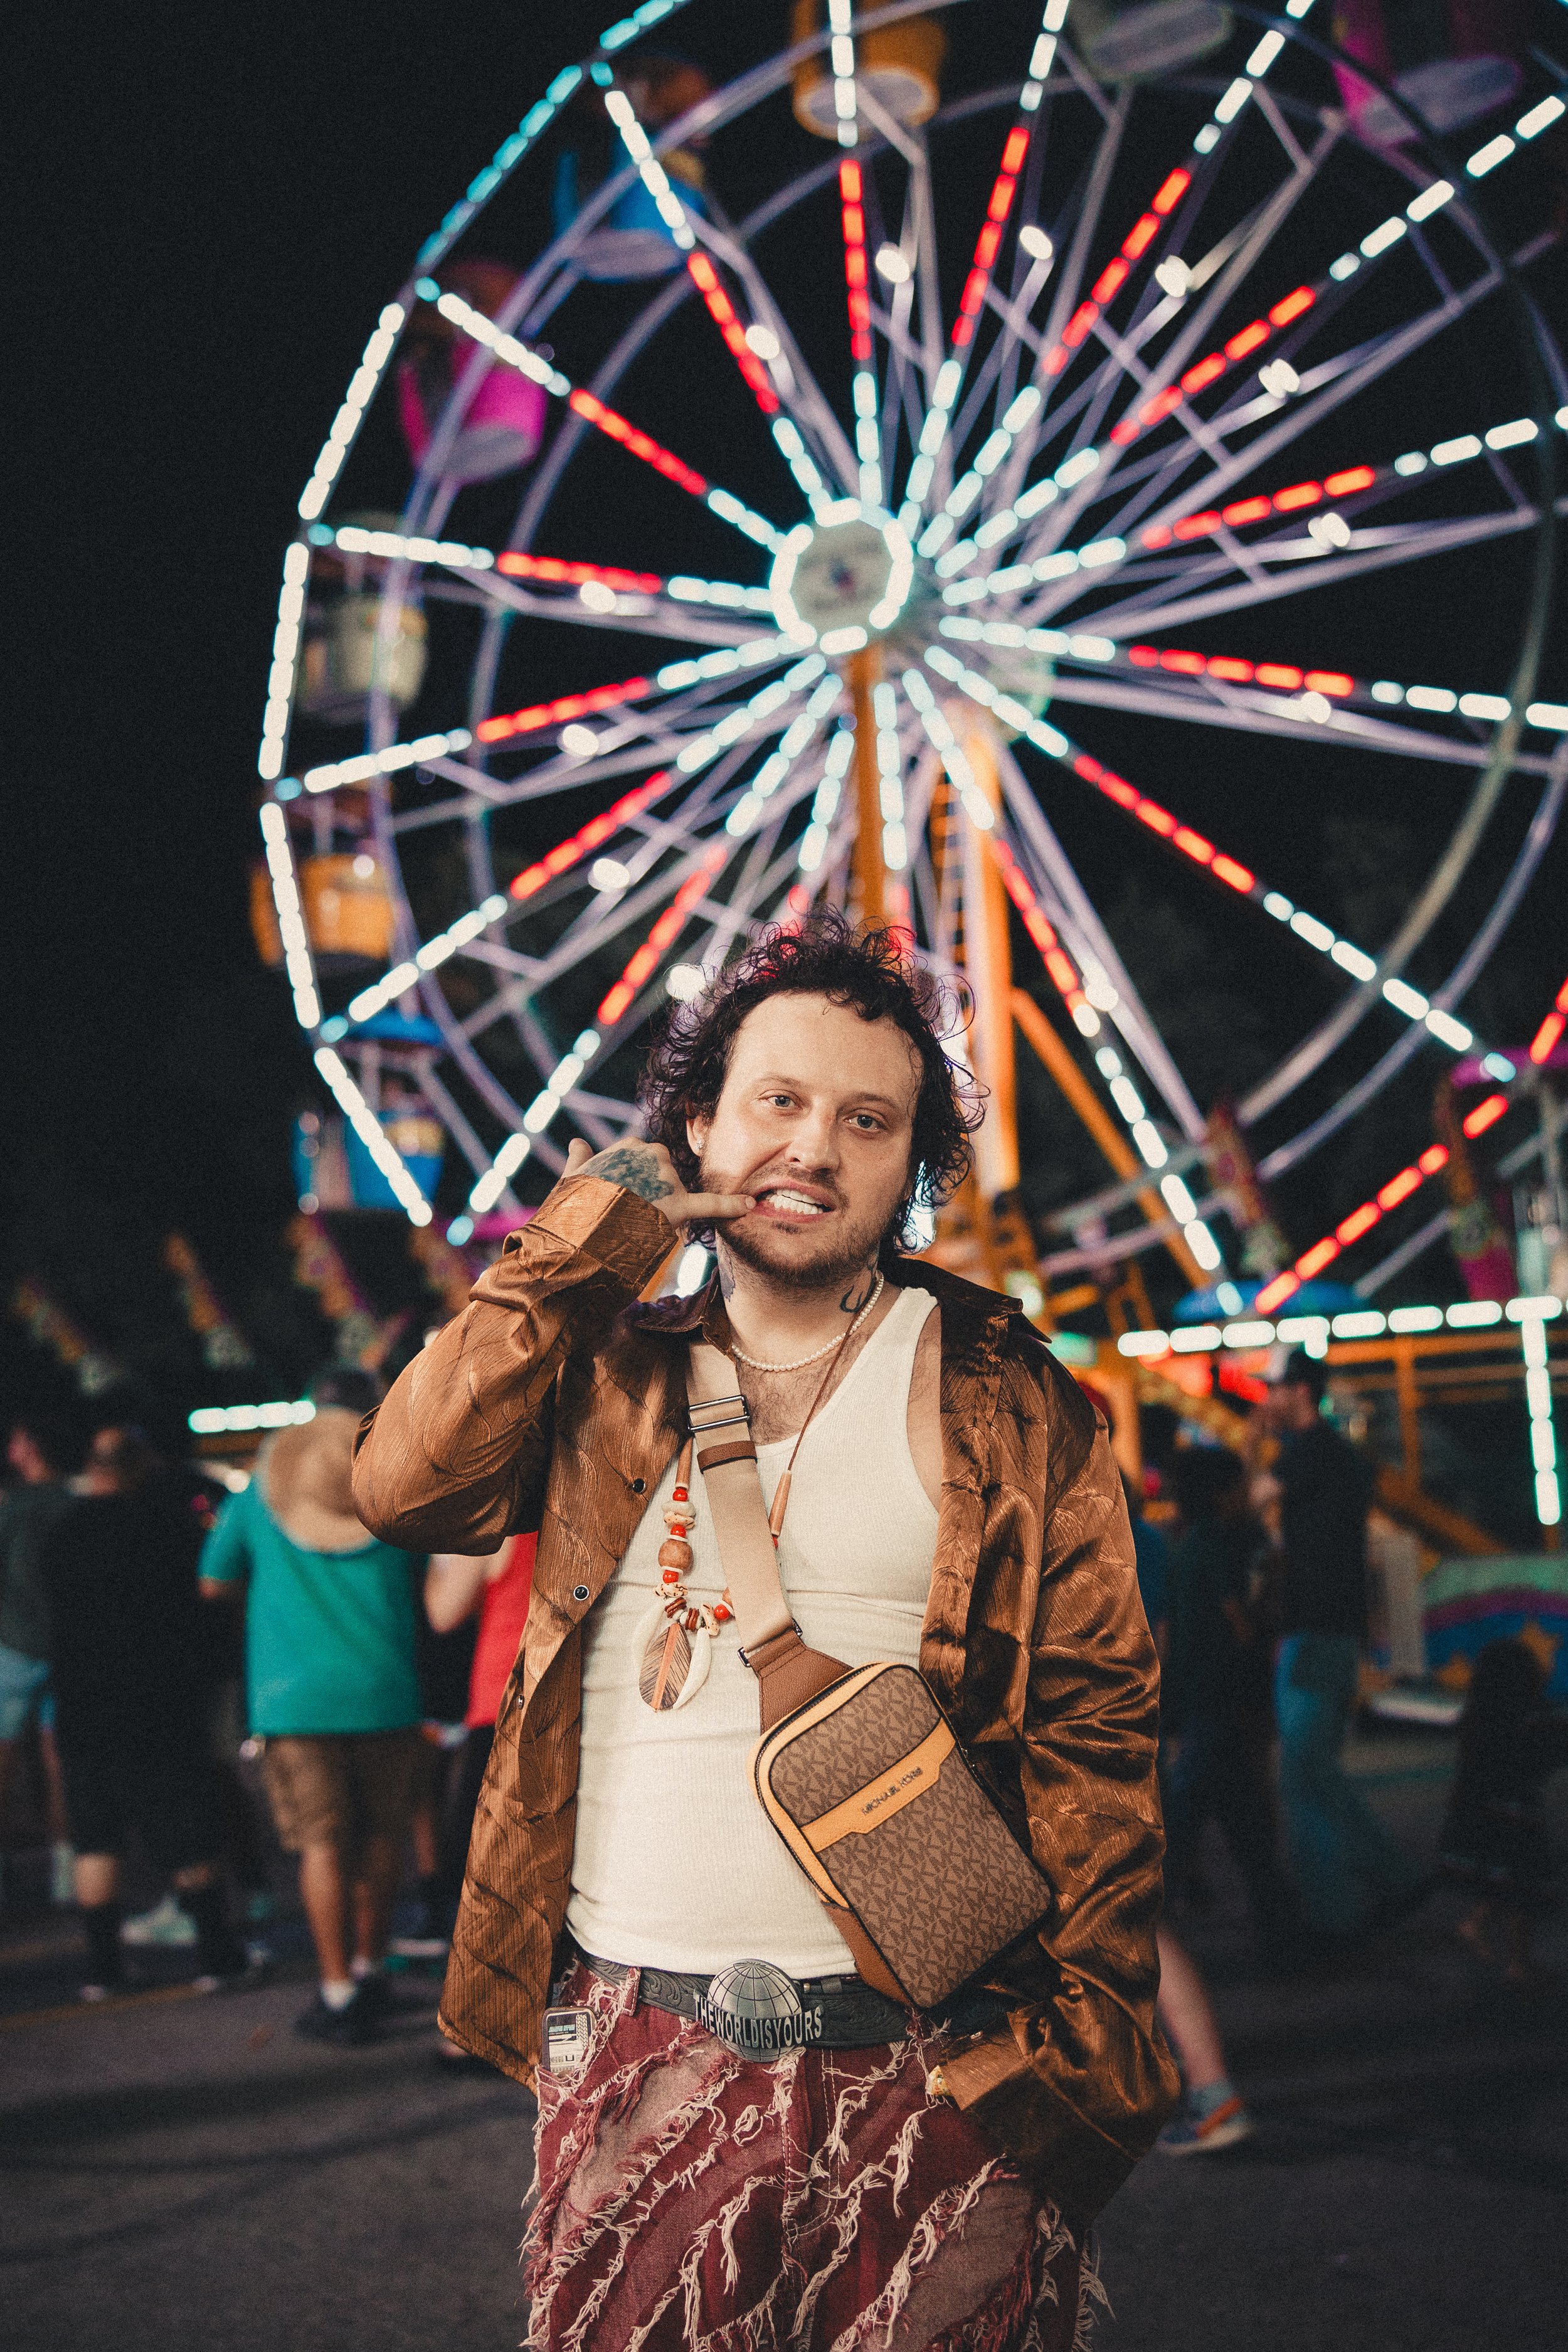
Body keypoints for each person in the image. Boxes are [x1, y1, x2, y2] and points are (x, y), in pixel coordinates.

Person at [354, 913, 1176, 2350]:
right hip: (635, 2044)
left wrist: (1081, 2067)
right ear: (697, 1126)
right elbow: (407, 1488)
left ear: (911, 1162)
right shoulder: (604, 1364)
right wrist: (576, 1246)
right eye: (777, 1101)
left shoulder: (1004, 1391)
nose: (815, 1143)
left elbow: (1095, 1733)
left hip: (939, 2056)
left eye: (869, 1118)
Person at [200, 1370, 426, 2045]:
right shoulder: (393, 1478)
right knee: (383, 1837)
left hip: (292, 1697)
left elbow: (213, 1583)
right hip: (386, 1685)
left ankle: (337, 1991)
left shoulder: (265, 1484)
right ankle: (371, 1964)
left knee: (321, 1844)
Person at [40, 1424, 248, 1998]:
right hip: (161, 1704)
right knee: (190, 1833)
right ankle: (217, 1957)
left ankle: (105, 1969)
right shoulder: (164, 1529)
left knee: (96, 1841)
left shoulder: (61, 1537)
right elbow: (198, 1612)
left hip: (84, 1706)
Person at [1261, 1348, 1424, 1939]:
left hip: (1313, 1631)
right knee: (1314, 1770)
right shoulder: (1337, 1456)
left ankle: (1341, 1911)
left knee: (1304, 1773)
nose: (1265, 1400)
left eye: (1273, 1389)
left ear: (1300, 1391)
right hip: (1330, 1627)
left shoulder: (1310, 1452)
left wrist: (1256, 1446)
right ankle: (1387, 1878)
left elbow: (1251, 1498)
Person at [1124, 1469, 1256, 2157]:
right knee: (1140, 1920)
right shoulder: (1146, 1539)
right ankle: (1205, 2089)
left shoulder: (1059, 1527)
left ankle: (1206, 2091)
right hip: (1129, 1737)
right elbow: (1160, 1642)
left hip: (1078, 1751)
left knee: (1131, 1922)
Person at [1162, 1446, 1295, 1961]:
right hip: (1219, 1699)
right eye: (1239, 1486)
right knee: (1219, 1818)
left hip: (1200, 1698)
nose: (1247, 1496)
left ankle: (1278, 1925)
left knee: (1226, 1817)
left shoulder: (1191, 1541)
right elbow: (1241, 1624)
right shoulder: (1217, 1543)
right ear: (1221, 1493)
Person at [420, 1532, 536, 2059]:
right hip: (575, 1697)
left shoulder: (500, 1523)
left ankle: (479, 2026)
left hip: (503, 1700)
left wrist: (436, 1556)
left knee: (486, 1870)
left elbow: (445, 1611)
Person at [1439, 1638, 1568, 1986]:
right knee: (1523, 1887)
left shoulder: (1482, 1717)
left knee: (1504, 1881)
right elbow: (1551, 1749)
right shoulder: (1528, 1719)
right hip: (1515, 1819)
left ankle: (1477, 1925)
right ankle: (1519, 1963)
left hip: (1480, 1815)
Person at [0, 1417, 78, 1907]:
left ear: (30, 1446)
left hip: (15, 1647)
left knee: (3, 1760)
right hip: (68, 1649)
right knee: (60, 1762)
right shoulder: (75, 1502)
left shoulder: (19, 1509)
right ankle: (67, 1872)